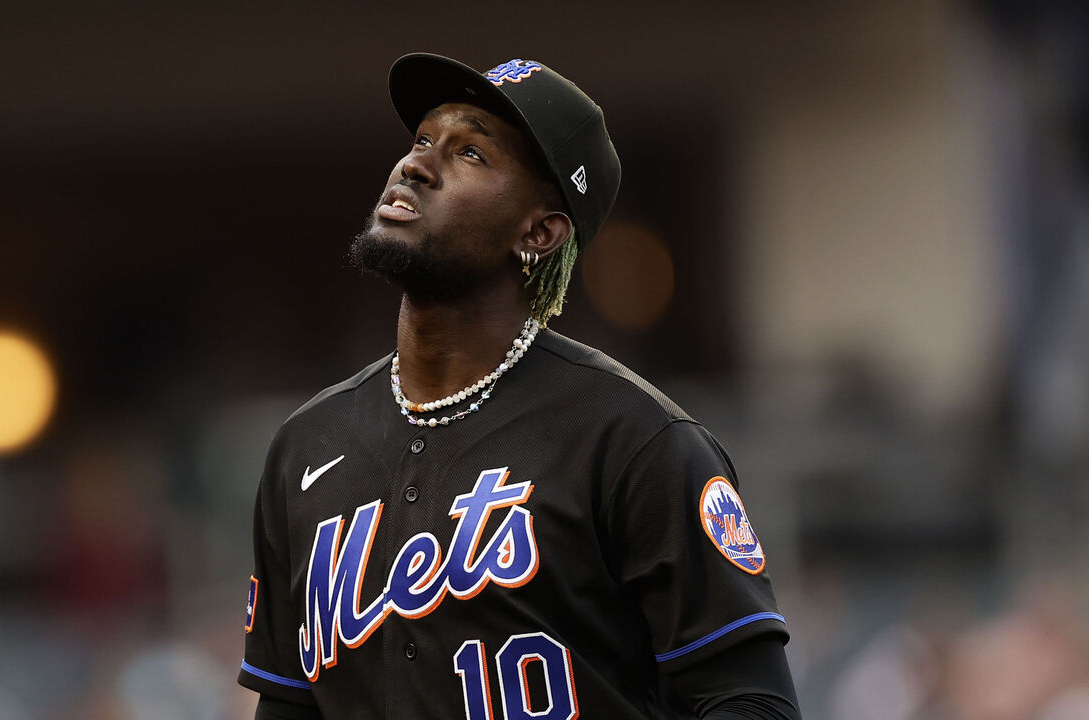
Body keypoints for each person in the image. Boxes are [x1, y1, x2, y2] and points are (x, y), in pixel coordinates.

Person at [237, 53, 801, 720]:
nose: (417, 165)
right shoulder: (305, 447)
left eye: (470, 152)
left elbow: (752, 704)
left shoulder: (633, 439)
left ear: (540, 230)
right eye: (423, 139)